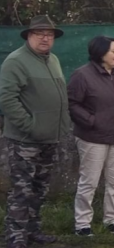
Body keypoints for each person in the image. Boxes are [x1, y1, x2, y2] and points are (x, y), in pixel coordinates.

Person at [0, 15, 71, 248]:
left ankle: (32, 231)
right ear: (29, 36)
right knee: (22, 190)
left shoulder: (53, 60)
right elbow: (7, 99)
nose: (45, 38)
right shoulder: (16, 61)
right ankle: (15, 236)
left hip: (50, 139)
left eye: (49, 34)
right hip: (24, 141)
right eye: (39, 33)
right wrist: (30, 126)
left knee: (39, 189)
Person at [67, 36, 114, 237]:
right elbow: (72, 103)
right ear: (100, 53)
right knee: (89, 182)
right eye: (113, 51)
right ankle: (82, 224)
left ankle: (111, 220)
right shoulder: (81, 75)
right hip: (92, 138)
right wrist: (92, 121)